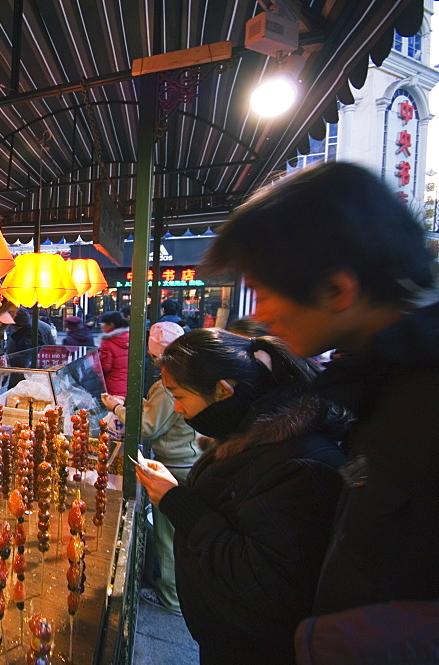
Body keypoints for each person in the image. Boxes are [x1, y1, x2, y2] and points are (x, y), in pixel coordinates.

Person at [203, 161, 439, 661]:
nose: (258, 313)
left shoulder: (422, 399)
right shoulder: (381, 384)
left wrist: (383, 639)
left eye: (266, 293)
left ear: (338, 290)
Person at [135, 328, 348, 664]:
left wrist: (178, 503)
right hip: (223, 636)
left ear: (223, 391)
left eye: (180, 396)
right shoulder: (242, 433)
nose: (177, 409)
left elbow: (261, 584)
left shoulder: (301, 468)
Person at [101, 321, 199, 615]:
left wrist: (117, 408)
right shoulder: (188, 373)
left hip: (177, 464)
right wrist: (134, 403)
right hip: (185, 457)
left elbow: (148, 425)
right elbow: (157, 413)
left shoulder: (173, 382)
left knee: (169, 536)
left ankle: (171, 598)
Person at [97, 311, 129, 395]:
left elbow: (104, 366)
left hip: (113, 385)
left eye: (102, 323)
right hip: (129, 384)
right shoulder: (129, 336)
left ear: (110, 325)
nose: (101, 325)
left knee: (114, 407)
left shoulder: (107, 341)